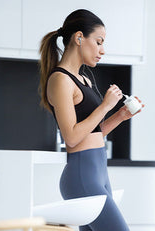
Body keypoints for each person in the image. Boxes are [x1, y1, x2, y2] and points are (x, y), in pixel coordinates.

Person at [38, 9, 143, 231]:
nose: (102, 50)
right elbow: (72, 137)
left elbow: (92, 133)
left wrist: (120, 115)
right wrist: (105, 105)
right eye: (98, 42)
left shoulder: (83, 79)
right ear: (79, 38)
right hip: (82, 176)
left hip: (98, 173)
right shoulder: (60, 80)